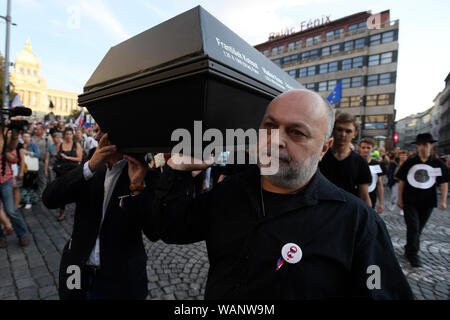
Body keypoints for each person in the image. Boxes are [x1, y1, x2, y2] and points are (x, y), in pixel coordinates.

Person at [126, 89, 413, 299]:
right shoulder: (230, 191)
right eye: (270, 126)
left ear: (324, 148)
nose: (276, 140)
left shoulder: (357, 223)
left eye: (297, 133)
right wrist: (178, 171)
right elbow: (173, 228)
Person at [42, 127, 158, 300]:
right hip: (77, 271)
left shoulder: (146, 175)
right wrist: (89, 167)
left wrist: (136, 190)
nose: (95, 137)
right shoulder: (91, 167)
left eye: (101, 131)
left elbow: (154, 231)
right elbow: (50, 199)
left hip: (119, 279)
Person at [396, 133, 448, 268]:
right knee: (413, 226)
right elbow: (401, 181)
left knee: (419, 228)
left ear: (431, 145)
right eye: (420, 145)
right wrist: (399, 198)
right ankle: (413, 254)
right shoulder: (410, 162)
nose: (422, 148)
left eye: (425, 145)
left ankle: (409, 247)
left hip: (428, 201)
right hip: (410, 200)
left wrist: (443, 200)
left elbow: (443, 183)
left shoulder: (437, 163)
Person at [318, 112, 372, 207]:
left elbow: (364, 195)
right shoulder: (319, 155)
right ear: (333, 130)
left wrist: (370, 218)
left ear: (355, 134)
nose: (343, 134)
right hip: (319, 209)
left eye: (348, 131)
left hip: (348, 212)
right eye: (339, 129)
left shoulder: (360, 162)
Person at [0, 127, 29, 248]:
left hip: (4, 179)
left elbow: (14, 159)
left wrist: (4, 152)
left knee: (11, 210)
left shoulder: (6, 140)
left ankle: (22, 233)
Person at [53, 127, 83, 221]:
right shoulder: (60, 145)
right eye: (66, 134)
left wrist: (67, 157)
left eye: (70, 134)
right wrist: (58, 158)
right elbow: (56, 157)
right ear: (64, 135)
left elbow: (79, 159)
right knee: (61, 192)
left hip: (73, 172)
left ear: (72, 135)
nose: (68, 136)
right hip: (61, 172)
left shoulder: (76, 145)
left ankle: (79, 211)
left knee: (76, 191)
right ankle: (62, 211)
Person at [360, 138, 385, 214]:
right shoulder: (354, 161)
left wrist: (381, 203)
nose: (366, 150)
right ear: (359, 148)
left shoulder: (376, 164)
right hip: (356, 197)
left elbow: (379, 184)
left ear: (372, 149)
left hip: (372, 198)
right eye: (363, 147)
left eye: (368, 148)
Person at [32, 123, 53, 197]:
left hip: (42, 161)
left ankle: (42, 194)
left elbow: (49, 152)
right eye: (35, 129)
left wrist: (46, 167)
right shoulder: (33, 137)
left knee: (42, 178)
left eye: (38, 129)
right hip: (32, 160)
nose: (36, 130)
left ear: (43, 130)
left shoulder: (48, 139)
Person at [22, 132, 40, 210]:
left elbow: (38, 154)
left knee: (30, 185)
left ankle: (29, 201)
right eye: (24, 136)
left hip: (31, 168)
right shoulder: (21, 145)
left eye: (27, 136)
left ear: (30, 138)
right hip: (23, 168)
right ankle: (24, 200)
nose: (26, 138)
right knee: (24, 185)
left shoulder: (33, 145)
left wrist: (28, 153)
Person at [389, 150, 408, 215]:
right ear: (399, 156)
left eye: (404, 155)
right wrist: (390, 180)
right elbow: (390, 172)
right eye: (402, 155)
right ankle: (392, 204)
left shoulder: (408, 164)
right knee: (394, 195)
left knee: (404, 196)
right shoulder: (395, 163)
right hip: (396, 181)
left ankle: (402, 208)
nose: (403, 156)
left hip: (405, 183)